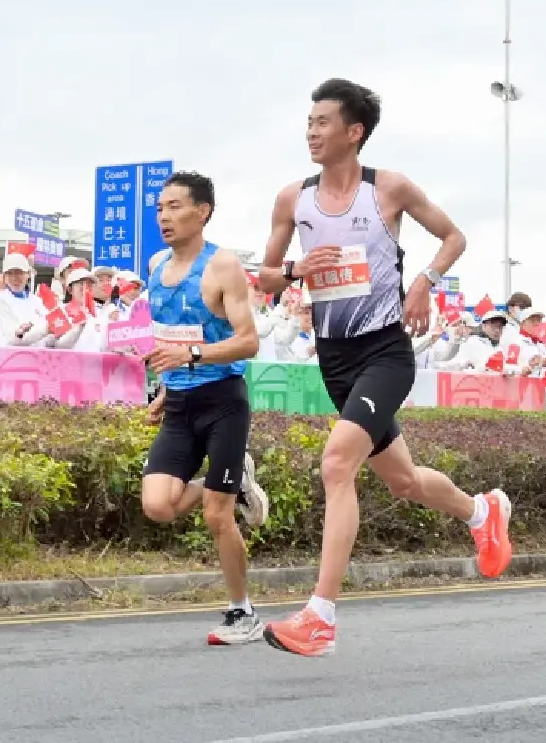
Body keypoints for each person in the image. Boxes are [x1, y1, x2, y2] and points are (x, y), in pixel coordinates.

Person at [255, 78, 510, 657]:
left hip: (385, 351)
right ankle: (481, 510)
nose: (311, 130)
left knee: (336, 462)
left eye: (323, 121)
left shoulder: (388, 188)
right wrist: (297, 269)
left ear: (354, 132)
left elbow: (454, 236)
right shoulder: (292, 199)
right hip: (335, 359)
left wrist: (424, 281)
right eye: (309, 120)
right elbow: (265, 277)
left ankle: (320, 617)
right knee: (402, 481)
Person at [137, 171, 271, 646]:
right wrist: (168, 391)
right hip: (180, 404)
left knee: (217, 516)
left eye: (175, 206)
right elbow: (173, 339)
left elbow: (248, 341)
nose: (164, 217)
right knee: (158, 505)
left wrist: (191, 358)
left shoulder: (223, 266)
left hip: (222, 402)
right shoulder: (155, 267)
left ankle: (242, 612)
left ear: (203, 212)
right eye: (159, 208)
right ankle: (237, 482)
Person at [0, 252, 52, 347]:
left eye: (19, 272)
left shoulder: (37, 301)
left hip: (39, 358)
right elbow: (7, 340)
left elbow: (48, 339)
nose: (14, 278)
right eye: (9, 273)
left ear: (28, 274)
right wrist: (44, 330)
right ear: (4, 277)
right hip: (11, 359)